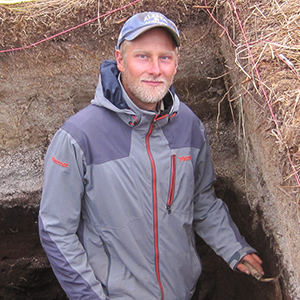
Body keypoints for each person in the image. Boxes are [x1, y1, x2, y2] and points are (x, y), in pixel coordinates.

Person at [39, 11, 264, 300]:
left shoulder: (189, 126)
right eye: (143, 56)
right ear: (120, 60)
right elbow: (56, 230)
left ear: (176, 63)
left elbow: (202, 202)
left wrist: (235, 249)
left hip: (184, 292)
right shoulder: (78, 138)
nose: (155, 69)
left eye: (165, 57)